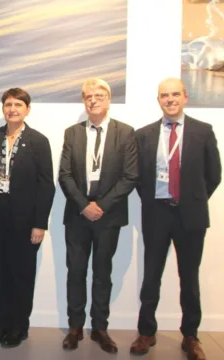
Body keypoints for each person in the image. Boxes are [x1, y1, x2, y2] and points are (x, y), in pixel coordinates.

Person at [130, 78, 221, 360]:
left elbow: (214, 174)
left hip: (190, 216)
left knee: (189, 277)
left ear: (185, 97)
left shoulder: (203, 131)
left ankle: (191, 336)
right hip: (157, 213)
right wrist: (155, 199)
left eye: (174, 95)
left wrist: (191, 200)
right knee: (151, 274)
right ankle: (146, 331)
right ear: (158, 100)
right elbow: (138, 177)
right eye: (164, 96)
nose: (169, 100)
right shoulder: (143, 134)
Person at [58, 78, 138, 354]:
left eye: (98, 95)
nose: (93, 100)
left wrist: (100, 205)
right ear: (83, 101)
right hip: (78, 214)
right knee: (76, 272)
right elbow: (65, 175)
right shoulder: (72, 133)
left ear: (108, 99)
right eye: (88, 96)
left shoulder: (126, 132)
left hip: (109, 215)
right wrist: (84, 205)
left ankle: (100, 328)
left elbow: (130, 176)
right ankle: (75, 328)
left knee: (102, 274)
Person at [0, 88, 55, 348]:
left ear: (27, 109)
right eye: (8, 104)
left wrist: (40, 223)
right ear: (3, 108)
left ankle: (19, 326)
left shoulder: (38, 141)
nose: (12, 109)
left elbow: (46, 185)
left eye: (17, 104)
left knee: (22, 274)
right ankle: (2, 323)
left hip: (26, 221)